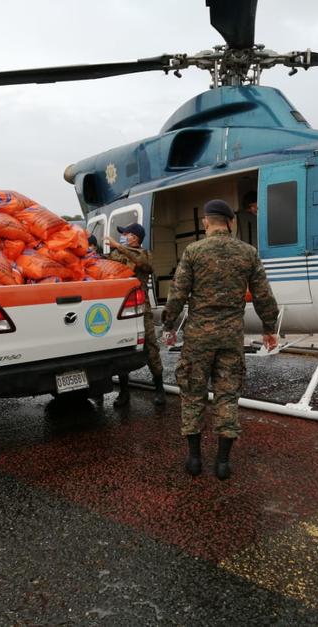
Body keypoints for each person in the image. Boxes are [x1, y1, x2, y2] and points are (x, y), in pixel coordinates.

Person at [162, 199, 279, 480]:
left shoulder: (193, 251)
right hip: (230, 337)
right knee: (227, 395)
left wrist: (169, 325)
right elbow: (263, 295)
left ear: (205, 222)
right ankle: (223, 463)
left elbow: (178, 293)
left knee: (193, 394)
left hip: (198, 339)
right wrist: (269, 328)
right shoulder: (248, 253)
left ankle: (194, 459)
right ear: (231, 222)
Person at [105, 222, 166, 407]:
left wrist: (119, 246)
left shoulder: (144, 254)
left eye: (126, 234)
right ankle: (124, 392)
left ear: (135, 238)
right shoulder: (116, 254)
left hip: (141, 309)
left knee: (151, 346)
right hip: (120, 309)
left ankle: (159, 388)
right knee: (121, 348)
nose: (123, 236)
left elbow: (145, 265)